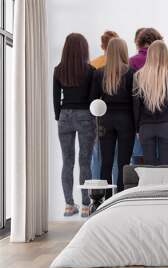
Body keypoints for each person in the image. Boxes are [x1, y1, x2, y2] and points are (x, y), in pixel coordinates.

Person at [53, 33, 96, 217]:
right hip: (85, 114)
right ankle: (86, 206)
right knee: (85, 160)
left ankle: (69, 205)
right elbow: (93, 99)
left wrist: (60, 117)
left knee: (67, 161)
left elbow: (56, 99)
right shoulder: (91, 70)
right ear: (83, 49)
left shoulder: (58, 70)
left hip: (64, 116)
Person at [90, 38, 135, 196]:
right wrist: (136, 124)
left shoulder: (99, 72)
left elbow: (93, 101)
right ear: (123, 51)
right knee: (124, 163)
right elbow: (135, 101)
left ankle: (107, 200)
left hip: (105, 120)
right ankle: (121, 197)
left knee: (106, 163)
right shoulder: (130, 72)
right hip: (126, 121)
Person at [133, 40, 168, 165]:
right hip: (167, 125)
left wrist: (137, 128)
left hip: (145, 127)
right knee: (166, 167)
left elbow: (136, 107)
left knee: (149, 168)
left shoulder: (138, 76)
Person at [129, 28, 163, 165]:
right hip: (163, 114)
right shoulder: (164, 60)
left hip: (142, 116)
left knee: (138, 156)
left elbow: (131, 91)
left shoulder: (133, 61)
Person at [90, 31, 119, 185]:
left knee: (97, 157)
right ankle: (116, 195)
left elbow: (91, 96)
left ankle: (96, 194)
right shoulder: (124, 65)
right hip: (119, 117)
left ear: (102, 45)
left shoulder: (94, 64)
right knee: (115, 159)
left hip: (98, 118)